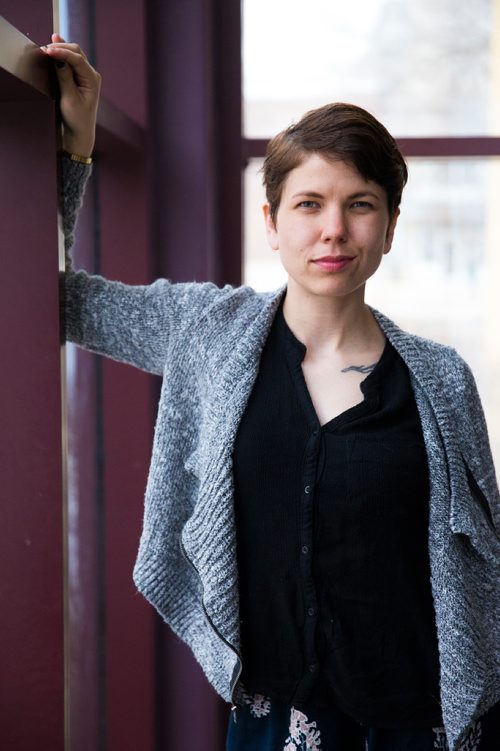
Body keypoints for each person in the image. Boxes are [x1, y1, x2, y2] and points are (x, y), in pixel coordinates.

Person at [42, 36, 500, 751]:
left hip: (422, 725)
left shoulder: (441, 379)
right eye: (309, 203)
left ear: (390, 228)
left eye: (361, 205)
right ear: (272, 222)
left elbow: (482, 568)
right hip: (273, 722)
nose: (333, 230)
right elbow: (54, 296)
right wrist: (75, 151)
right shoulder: (207, 333)